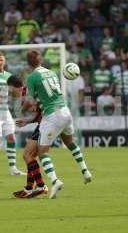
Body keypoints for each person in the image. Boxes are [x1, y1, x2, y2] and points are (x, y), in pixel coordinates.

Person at [23, 50, 92, 199]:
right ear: (40, 60)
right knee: (70, 143)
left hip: (52, 116)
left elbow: (30, 101)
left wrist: (23, 109)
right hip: (65, 111)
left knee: (42, 153)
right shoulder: (52, 73)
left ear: (28, 63)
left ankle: (55, 181)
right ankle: (85, 171)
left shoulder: (32, 77)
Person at [6, 75, 48, 199]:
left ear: (13, 87)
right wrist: (27, 121)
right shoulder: (25, 94)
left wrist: (25, 116)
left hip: (46, 124)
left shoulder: (26, 94)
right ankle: (29, 188)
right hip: (45, 123)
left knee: (27, 155)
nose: (9, 91)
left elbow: (40, 108)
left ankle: (41, 186)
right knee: (30, 157)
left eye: (9, 88)